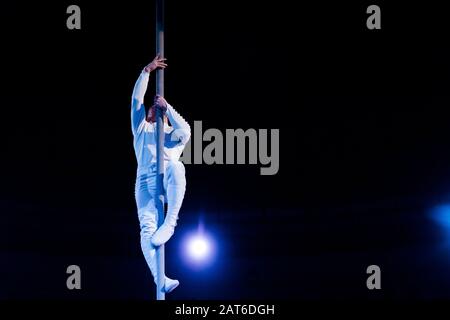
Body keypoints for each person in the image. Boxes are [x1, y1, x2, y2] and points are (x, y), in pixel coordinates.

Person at [131, 55, 191, 293]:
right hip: (144, 180)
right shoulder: (141, 128)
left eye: (159, 110)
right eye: (152, 109)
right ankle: (160, 279)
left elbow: (186, 131)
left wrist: (168, 107)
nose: (153, 111)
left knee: (178, 167)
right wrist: (146, 71)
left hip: (166, 178)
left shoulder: (172, 135)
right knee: (147, 230)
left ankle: (171, 220)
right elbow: (135, 101)